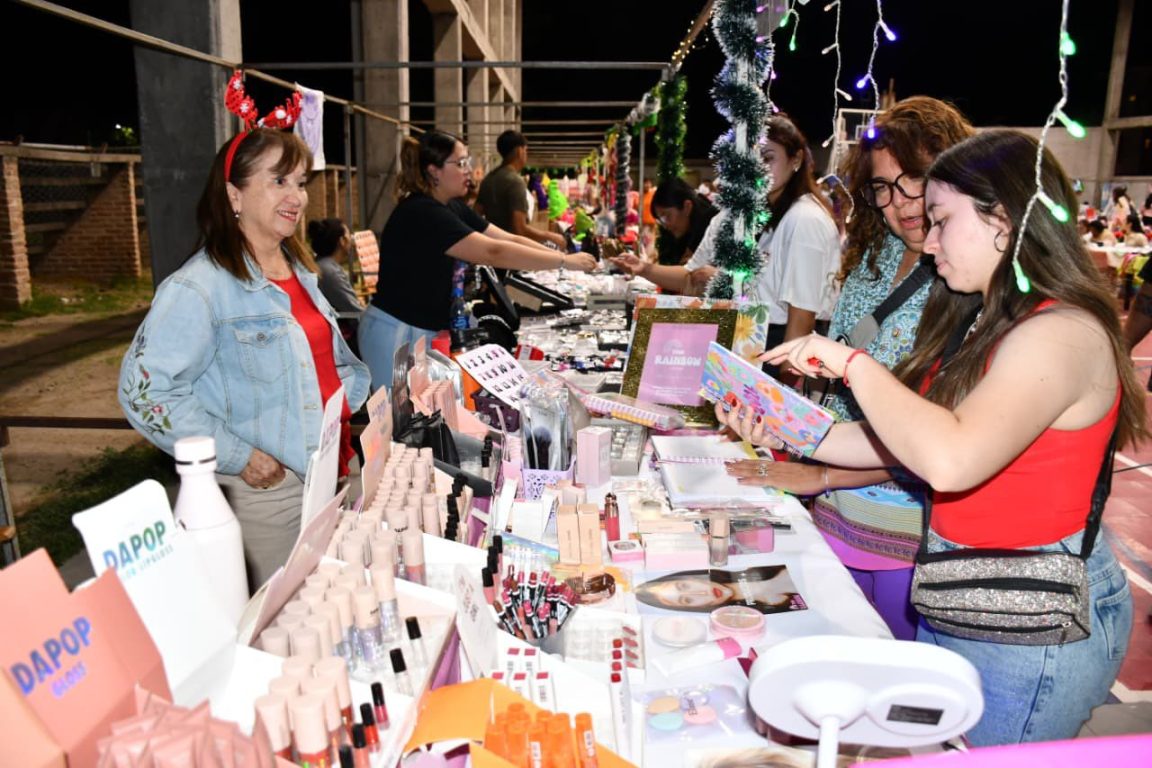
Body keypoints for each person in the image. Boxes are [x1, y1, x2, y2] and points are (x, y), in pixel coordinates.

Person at [720, 130, 1144, 746]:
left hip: (1029, 623)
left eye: (943, 220)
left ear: (1003, 218)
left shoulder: (1063, 332)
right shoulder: (987, 319)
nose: (930, 241)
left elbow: (948, 458)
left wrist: (852, 365)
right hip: (964, 593)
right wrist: (781, 422)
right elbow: (902, 441)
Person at [727, 97, 976, 640]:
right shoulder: (871, 257)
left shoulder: (967, 276)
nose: (902, 202)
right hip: (836, 510)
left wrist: (820, 473)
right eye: (882, 187)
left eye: (916, 179)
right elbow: (838, 378)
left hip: (905, 528)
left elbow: (935, 432)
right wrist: (781, 418)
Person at [118, 128, 371, 590]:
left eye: (300, 182)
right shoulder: (200, 286)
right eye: (279, 181)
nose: (296, 196)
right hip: (271, 496)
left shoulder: (299, 271)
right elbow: (144, 392)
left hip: (335, 470)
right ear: (234, 194)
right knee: (278, 623)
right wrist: (238, 456)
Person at [358, 130, 595, 389]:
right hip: (397, 332)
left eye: (467, 162)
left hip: (422, 328)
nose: (468, 170)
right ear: (434, 171)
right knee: (401, 412)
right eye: (460, 163)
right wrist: (564, 262)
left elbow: (508, 239)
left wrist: (563, 258)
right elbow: (494, 251)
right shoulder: (423, 212)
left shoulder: (451, 206)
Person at [612, 116, 840, 364]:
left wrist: (788, 377)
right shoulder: (758, 214)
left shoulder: (804, 218)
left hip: (782, 345)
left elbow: (802, 316)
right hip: (752, 340)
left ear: (796, 160)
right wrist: (644, 268)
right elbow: (694, 274)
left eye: (767, 158)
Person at [476, 130, 567, 250]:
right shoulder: (515, 181)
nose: (526, 154)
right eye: (526, 150)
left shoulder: (488, 179)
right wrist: (550, 236)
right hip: (512, 251)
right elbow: (519, 229)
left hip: (492, 248)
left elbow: (476, 214)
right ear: (520, 151)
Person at [635, 566, 805, 614]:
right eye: (687, 600)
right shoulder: (763, 612)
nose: (701, 593)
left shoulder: (765, 567)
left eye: (684, 586)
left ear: (692, 578)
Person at [307, 218, 363, 315]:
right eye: (349, 235)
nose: (351, 240)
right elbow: (355, 311)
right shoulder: (330, 272)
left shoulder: (321, 264)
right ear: (342, 241)